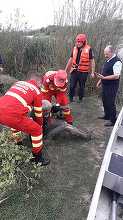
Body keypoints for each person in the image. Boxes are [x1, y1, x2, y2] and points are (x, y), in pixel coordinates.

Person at [0, 71, 50, 166]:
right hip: (13, 114)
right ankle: (37, 158)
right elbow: (38, 113)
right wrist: (40, 125)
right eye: (40, 84)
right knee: (37, 130)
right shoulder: (36, 91)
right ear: (39, 82)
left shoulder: (18, 83)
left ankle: (18, 144)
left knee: (14, 124)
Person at [96, 45, 122, 127]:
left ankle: (112, 120)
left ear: (112, 52)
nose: (105, 56)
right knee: (104, 100)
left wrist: (104, 78)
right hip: (105, 84)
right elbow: (105, 72)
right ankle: (107, 115)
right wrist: (100, 80)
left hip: (112, 86)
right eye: (105, 54)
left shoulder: (117, 61)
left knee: (111, 102)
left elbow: (116, 76)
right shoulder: (108, 60)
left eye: (107, 54)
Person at [65, 33, 95, 102]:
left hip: (83, 72)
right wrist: (65, 70)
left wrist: (92, 72)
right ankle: (70, 99)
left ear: (83, 42)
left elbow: (92, 61)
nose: (77, 43)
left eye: (79, 42)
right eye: (77, 42)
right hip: (74, 71)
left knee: (81, 87)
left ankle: (80, 99)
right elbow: (70, 59)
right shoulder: (74, 48)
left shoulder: (89, 49)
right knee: (72, 86)